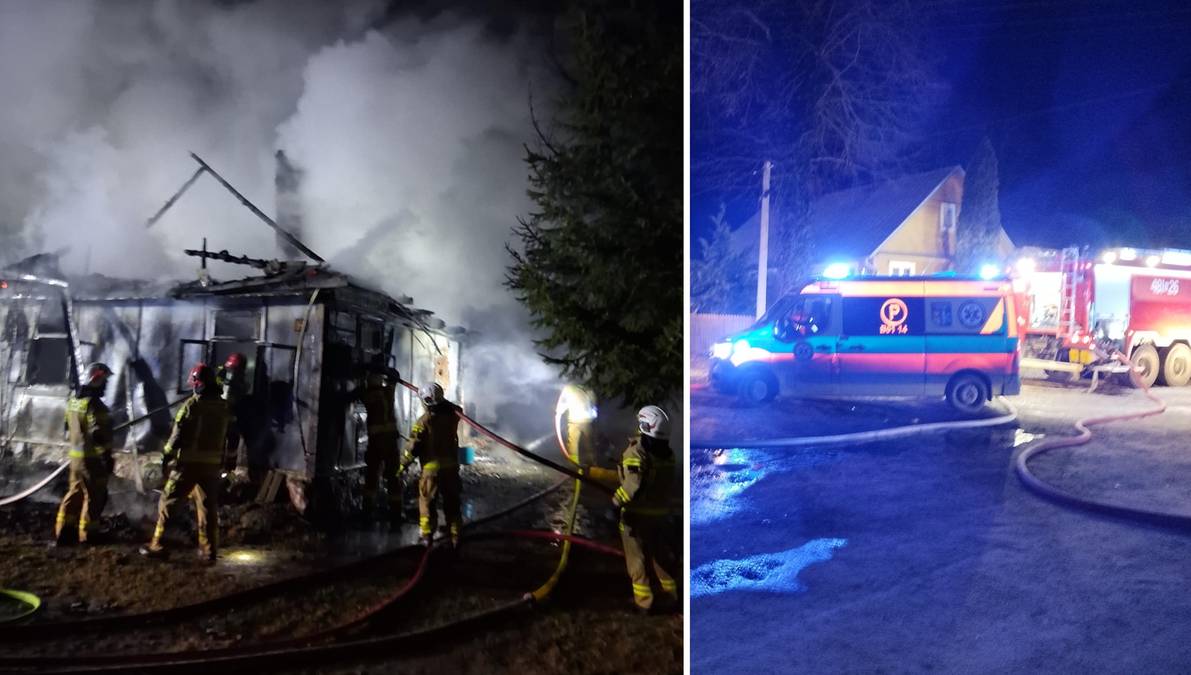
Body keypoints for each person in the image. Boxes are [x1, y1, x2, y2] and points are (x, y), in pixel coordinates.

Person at [140, 363, 230, 563]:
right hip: (212, 466)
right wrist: (228, 462)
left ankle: (158, 545)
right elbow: (232, 436)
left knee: (168, 502)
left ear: (199, 383)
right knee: (208, 507)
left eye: (195, 383)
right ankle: (209, 551)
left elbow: (177, 436)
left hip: (188, 464)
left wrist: (165, 458)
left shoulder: (192, 406)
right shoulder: (224, 406)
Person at [613, 405, 678, 613]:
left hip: (636, 517)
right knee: (661, 559)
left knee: (637, 561)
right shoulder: (668, 454)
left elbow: (633, 486)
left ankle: (644, 603)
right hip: (660, 518)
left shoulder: (637, 451)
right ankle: (673, 597)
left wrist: (615, 503)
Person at [54, 362, 114, 546]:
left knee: (75, 493)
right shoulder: (95, 405)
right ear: (96, 379)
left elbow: (67, 427)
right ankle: (88, 534)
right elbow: (97, 433)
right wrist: (106, 455)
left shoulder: (73, 402)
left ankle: (64, 531)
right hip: (92, 460)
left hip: (75, 459)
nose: (106, 385)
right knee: (94, 496)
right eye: (104, 381)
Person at [400, 383, 463, 547]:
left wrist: (402, 465)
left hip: (431, 470)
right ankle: (455, 534)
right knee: (452, 501)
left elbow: (413, 447)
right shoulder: (452, 415)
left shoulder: (424, 421)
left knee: (427, 502)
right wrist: (445, 403)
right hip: (450, 468)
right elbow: (459, 410)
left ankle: (427, 536)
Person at [355, 364, 401, 520]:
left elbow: (356, 393)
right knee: (393, 477)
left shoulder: (367, 395)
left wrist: (362, 372)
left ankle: (367, 511)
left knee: (372, 477)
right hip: (391, 444)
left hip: (376, 443)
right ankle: (395, 512)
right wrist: (387, 371)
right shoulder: (388, 392)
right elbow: (395, 376)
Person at [216, 352, 248, 476]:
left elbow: (239, 395)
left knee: (232, 443)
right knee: (220, 443)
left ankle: (228, 471)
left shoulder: (241, 381)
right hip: (219, 414)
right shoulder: (220, 374)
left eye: (235, 369)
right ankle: (220, 469)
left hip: (231, 416)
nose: (232, 372)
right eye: (231, 369)